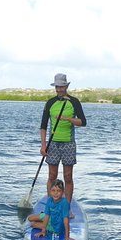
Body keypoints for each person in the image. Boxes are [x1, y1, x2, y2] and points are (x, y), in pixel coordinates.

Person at [39, 73, 87, 208]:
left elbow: (83, 122)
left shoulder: (74, 102)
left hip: (68, 144)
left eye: (62, 87)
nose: (59, 89)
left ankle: (66, 208)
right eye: (57, 87)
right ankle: (50, 206)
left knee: (68, 177)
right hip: (53, 144)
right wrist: (43, 146)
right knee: (52, 176)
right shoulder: (50, 103)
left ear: (66, 86)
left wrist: (68, 119)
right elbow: (43, 126)